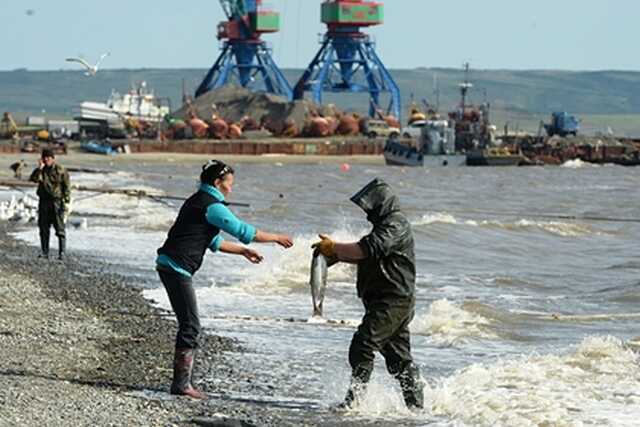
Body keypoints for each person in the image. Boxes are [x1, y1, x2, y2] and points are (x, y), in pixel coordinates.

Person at [156, 160, 293, 399]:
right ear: (218, 183)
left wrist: (242, 251)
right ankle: (181, 385)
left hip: (170, 264)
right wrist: (276, 237)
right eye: (229, 184)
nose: (231, 188)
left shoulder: (197, 200)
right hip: (176, 266)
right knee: (190, 326)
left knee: (189, 324)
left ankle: (183, 383)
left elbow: (211, 241)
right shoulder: (212, 206)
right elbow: (243, 231)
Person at [313, 178, 424, 410]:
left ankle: (354, 402)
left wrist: (334, 248)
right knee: (399, 359)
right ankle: (416, 410)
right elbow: (368, 254)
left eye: (369, 208)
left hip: (393, 301)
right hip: (387, 302)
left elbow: (369, 248)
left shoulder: (396, 224)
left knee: (363, 345)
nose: (366, 214)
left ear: (381, 204)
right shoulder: (386, 227)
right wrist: (334, 255)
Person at [29, 149, 70, 260]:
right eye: (44, 157)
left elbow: (66, 187)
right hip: (44, 202)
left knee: (60, 229)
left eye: (48, 157)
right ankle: (45, 252)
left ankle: (62, 253)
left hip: (56, 202)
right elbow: (33, 179)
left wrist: (67, 203)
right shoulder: (41, 170)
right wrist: (39, 168)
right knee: (43, 228)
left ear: (53, 159)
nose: (46, 159)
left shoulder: (60, 170)